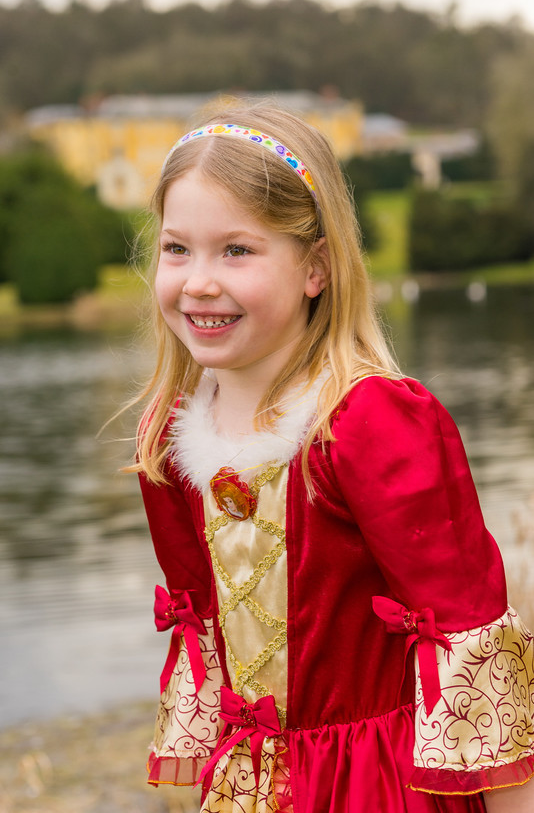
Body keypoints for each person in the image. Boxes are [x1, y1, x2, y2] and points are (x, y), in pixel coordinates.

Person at [131, 101, 534, 812]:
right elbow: (207, 648)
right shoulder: (169, 440)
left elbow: (471, 647)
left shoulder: (371, 422)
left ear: (316, 268)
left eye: (237, 250)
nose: (197, 281)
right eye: (176, 249)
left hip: (379, 787)